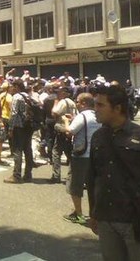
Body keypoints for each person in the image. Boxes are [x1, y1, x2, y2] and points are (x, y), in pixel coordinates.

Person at [87, 85, 140, 260]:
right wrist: (93, 212)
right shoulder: (98, 136)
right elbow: (92, 177)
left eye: (100, 105)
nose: (95, 110)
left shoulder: (139, 136)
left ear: (117, 108)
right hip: (106, 218)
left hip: (135, 220)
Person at [61, 92, 100, 225]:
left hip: (81, 155)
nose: (76, 103)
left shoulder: (82, 116)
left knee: (75, 185)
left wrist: (66, 121)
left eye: (77, 101)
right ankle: (95, 214)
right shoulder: (97, 115)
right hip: (94, 155)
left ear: (83, 103)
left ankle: (78, 214)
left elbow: (69, 131)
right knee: (92, 185)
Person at [4, 79, 34, 184]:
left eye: (12, 86)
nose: (11, 88)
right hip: (29, 126)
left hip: (19, 126)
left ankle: (16, 175)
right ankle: (28, 174)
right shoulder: (28, 95)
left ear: (17, 87)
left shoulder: (17, 97)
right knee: (28, 150)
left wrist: (10, 128)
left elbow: (14, 113)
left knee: (17, 150)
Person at [49, 86, 77, 183]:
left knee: (56, 152)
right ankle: (73, 175)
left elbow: (54, 113)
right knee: (69, 153)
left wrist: (55, 103)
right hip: (70, 128)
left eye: (60, 92)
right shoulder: (72, 102)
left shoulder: (62, 102)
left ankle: (56, 175)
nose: (58, 94)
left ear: (65, 93)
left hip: (61, 128)